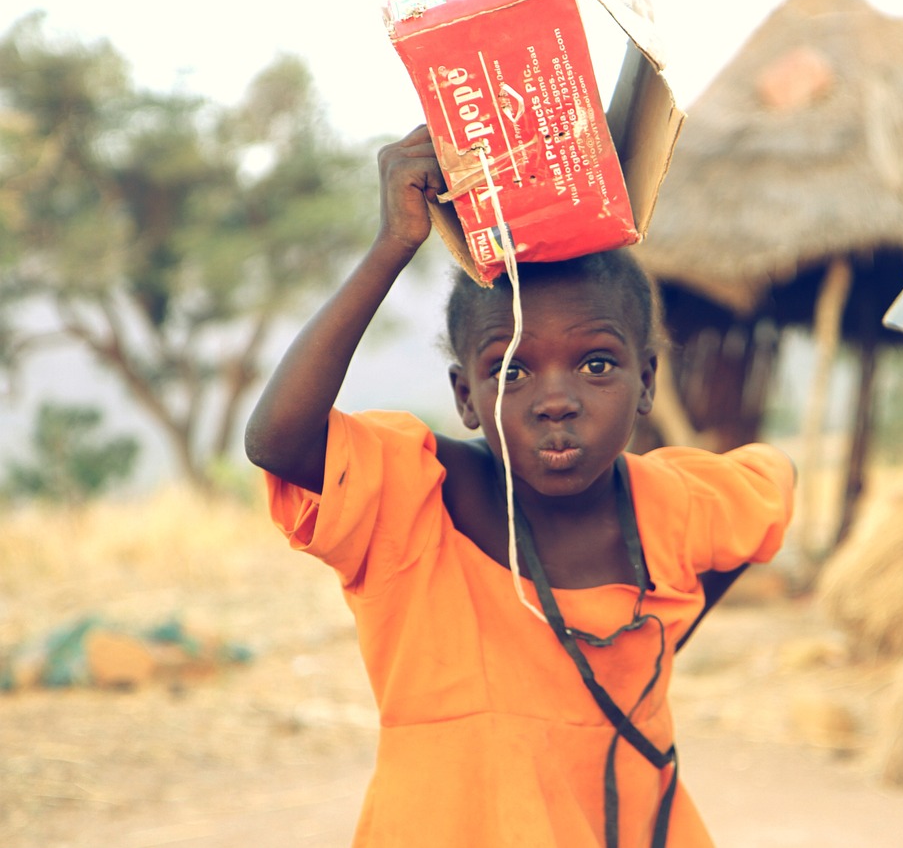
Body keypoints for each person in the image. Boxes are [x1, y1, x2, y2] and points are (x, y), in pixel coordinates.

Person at [243, 124, 795, 847]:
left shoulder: (673, 505)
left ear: (646, 384)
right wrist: (391, 247)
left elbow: (771, 490)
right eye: (511, 369)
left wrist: (655, 642)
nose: (557, 398)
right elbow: (277, 442)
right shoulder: (419, 504)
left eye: (596, 364)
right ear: (467, 395)